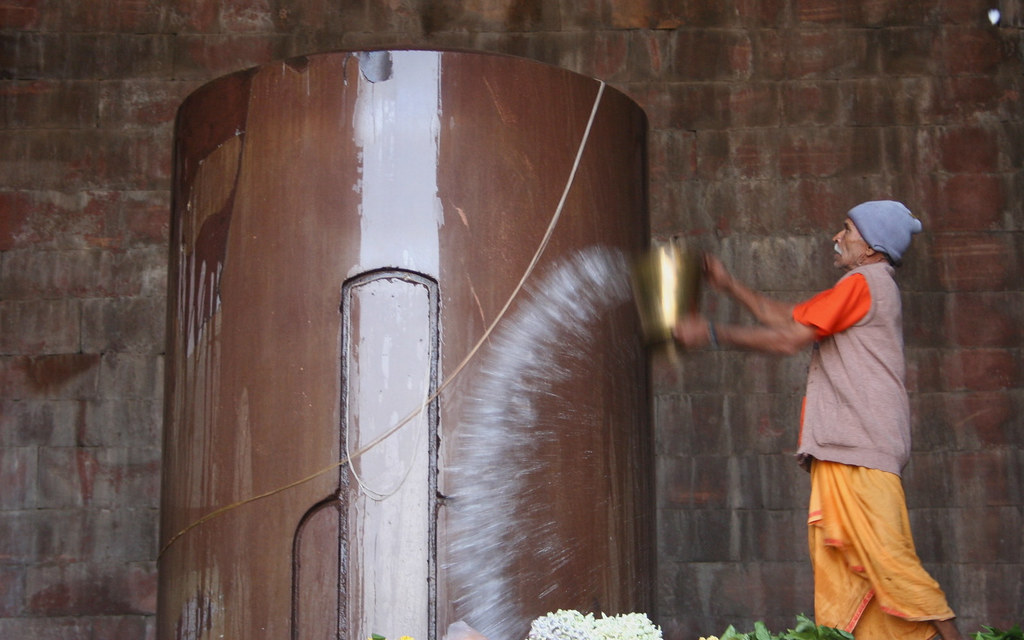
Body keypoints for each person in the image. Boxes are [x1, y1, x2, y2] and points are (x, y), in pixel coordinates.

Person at [673, 200, 964, 640]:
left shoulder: (864, 281)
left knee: (892, 563)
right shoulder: (862, 285)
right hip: (844, 448)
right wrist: (729, 286)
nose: (837, 236)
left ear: (871, 248)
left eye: (847, 229)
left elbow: (790, 338)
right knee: (858, 576)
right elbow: (790, 317)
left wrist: (712, 333)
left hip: (861, 448)